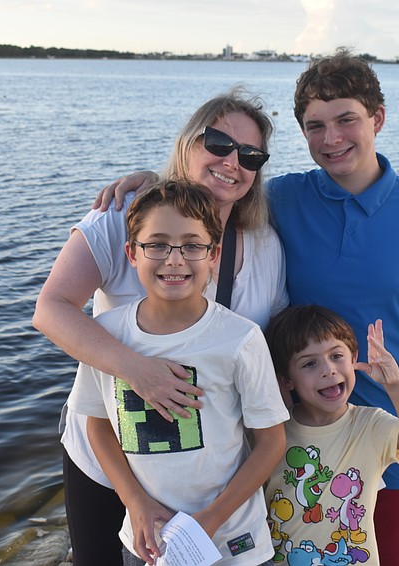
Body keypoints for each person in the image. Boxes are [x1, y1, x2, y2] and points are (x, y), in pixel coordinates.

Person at [97, 49, 399, 565]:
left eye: (347, 120)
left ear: (378, 120)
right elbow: (220, 188)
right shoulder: (284, 199)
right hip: (299, 433)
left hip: (394, 432)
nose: (331, 138)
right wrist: (156, 182)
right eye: (315, 126)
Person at [32, 89, 288, 565]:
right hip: (111, 460)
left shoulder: (264, 245)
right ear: (188, 142)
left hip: (205, 477)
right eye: (218, 143)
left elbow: (259, 356)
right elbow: (51, 309)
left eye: (250, 155)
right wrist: (136, 370)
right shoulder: (123, 215)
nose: (232, 161)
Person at [263, 305, 399, 564]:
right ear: (286, 380)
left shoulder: (369, 424)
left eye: (336, 356)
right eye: (310, 363)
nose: (328, 370)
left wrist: (395, 382)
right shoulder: (273, 432)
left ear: (354, 358)